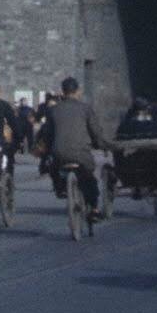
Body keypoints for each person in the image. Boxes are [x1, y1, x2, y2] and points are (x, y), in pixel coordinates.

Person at [39, 76, 113, 218]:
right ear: (77, 91)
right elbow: (95, 132)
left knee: (54, 168)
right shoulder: (85, 109)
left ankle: (60, 189)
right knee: (89, 177)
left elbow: (47, 135)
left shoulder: (53, 110)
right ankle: (94, 209)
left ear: (63, 91)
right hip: (81, 153)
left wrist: (46, 152)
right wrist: (101, 145)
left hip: (59, 153)